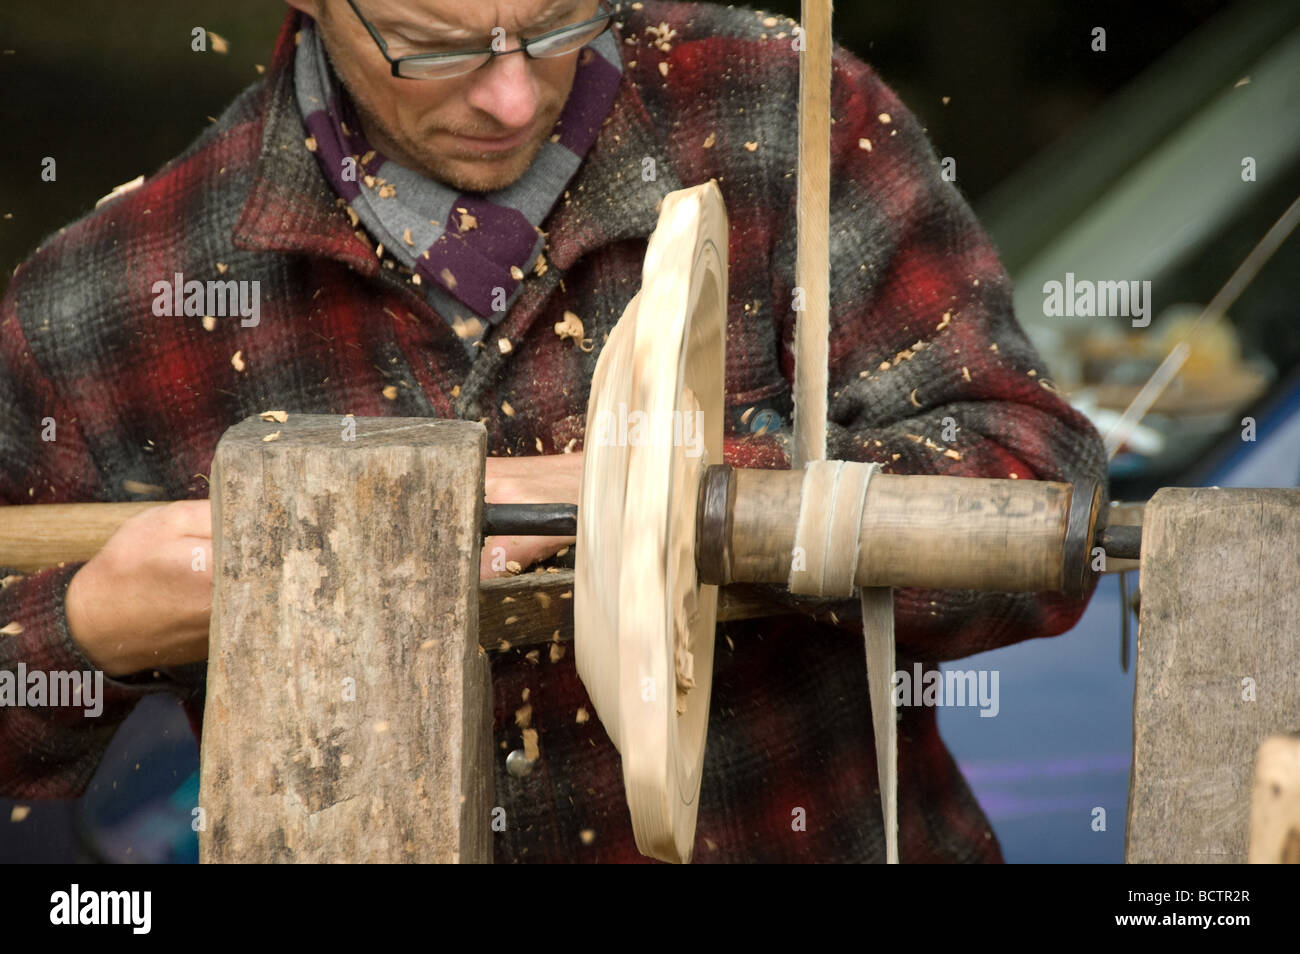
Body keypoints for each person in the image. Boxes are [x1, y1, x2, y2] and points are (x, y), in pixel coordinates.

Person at [0, 0, 1106, 862]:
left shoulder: (782, 113)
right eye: (435, 49)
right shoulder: (112, 299)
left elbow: (1038, 508)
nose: (514, 98)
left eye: (558, 26)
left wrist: (660, 491)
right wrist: (91, 629)